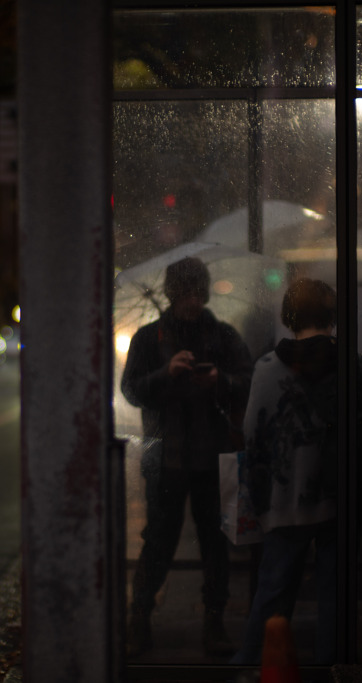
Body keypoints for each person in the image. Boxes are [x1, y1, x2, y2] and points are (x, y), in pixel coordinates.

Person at [231, 278, 362, 665]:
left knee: (273, 591)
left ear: (290, 317)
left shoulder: (267, 369)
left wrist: (257, 496)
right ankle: (332, 669)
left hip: (284, 499)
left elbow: (252, 434)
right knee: (336, 595)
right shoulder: (359, 365)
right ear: (332, 316)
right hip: (341, 496)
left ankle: (253, 665)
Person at [121, 256, 254, 658]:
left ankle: (214, 622)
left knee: (215, 544)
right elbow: (132, 390)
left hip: (214, 455)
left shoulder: (223, 335)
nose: (193, 302)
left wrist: (220, 380)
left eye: (198, 293)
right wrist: (167, 373)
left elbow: (248, 382)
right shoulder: (150, 338)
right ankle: (139, 619)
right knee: (159, 541)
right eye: (185, 294)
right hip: (166, 457)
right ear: (172, 294)